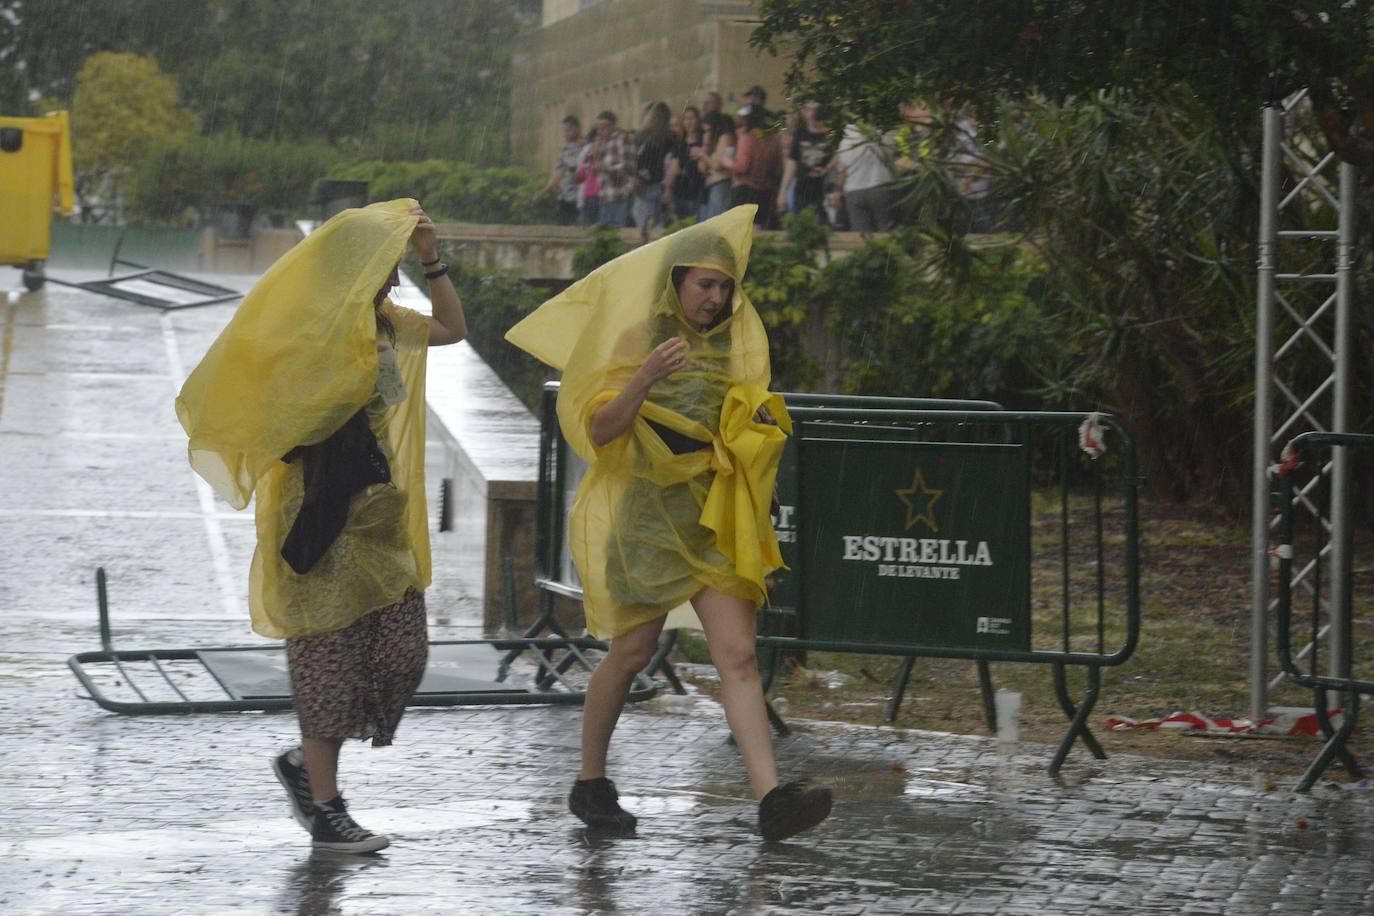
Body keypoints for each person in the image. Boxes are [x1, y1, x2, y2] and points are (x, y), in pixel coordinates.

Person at [504, 206, 834, 843]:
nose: (715, 298)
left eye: (724, 287)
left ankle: (772, 800)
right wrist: (646, 377)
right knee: (629, 654)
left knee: (738, 656)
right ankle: (591, 782)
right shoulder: (636, 339)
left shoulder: (733, 345)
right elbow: (599, 431)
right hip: (646, 522)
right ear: (676, 283)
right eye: (704, 285)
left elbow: (737, 424)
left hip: (712, 519)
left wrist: (755, 452)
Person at [175, 199, 468, 854]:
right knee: (327, 662)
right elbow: (281, 416)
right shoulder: (305, 332)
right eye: (387, 267)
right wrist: (353, 368)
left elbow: (453, 329)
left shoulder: (386, 320)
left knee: (402, 656)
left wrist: (431, 255)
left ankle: (308, 766)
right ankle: (326, 804)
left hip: (380, 517)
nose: (395, 281)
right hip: (319, 511)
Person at [833, 123, 898, 234]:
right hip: (881, 188)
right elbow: (892, 159)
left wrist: (838, 192)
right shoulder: (882, 132)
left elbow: (843, 170)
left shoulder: (846, 137)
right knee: (887, 233)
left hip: (854, 191)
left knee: (861, 236)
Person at [777, 101, 836, 223]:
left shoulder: (829, 134)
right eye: (809, 110)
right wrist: (783, 191)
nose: (813, 114)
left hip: (822, 188)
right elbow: (792, 162)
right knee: (800, 223)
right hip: (802, 187)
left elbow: (839, 155)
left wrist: (827, 169)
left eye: (816, 110)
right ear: (804, 113)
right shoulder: (800, 133)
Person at [730, 105, 783, 229]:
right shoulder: (773, 141)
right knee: (758, 228)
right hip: (765, 192)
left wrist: (726, 161)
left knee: (740, 229)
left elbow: (742, 167)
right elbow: (777, 168)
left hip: (744, 190)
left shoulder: (747, 137)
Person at [633, 101, 677, 232]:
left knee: (654, 226)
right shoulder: (643, 138)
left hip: (655, 186)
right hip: (643, 187)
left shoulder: (667, 139)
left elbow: (663, 164)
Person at [588, 110, 636, 228]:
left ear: (612, 126)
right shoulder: (602, 143)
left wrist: (605, 168)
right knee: (606, 236)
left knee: (620, 234)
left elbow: (628, 167)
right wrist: (595, 155)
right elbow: (595, 169)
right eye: (598, 129)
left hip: (621, 195)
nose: (599, 132)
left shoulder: (623, 139)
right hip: (605, 196)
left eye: (603, 128)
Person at [534, 115, 584, 226]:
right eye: (564, 131)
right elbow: (557, 174)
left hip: (583, 198)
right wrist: (544, 191)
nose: (565, 134)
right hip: (565, 197)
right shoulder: (564, 150)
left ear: (577, 128)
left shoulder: (587, 148)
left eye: (568, 130)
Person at [697, 110, 736, 221]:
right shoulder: (713, 142)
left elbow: (718, 165)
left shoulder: (726, 137)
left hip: (721, 184)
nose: (706, 133)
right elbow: (702, 168)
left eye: (708, 130)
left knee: (717, 222)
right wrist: (705, 146)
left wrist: (704, 155)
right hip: (711, 185)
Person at [671, 106, 707, 222]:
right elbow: (674, 167)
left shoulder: (704, 141)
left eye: (692, 118)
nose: (689, 122)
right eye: (686, 119)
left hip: (699, 190)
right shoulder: (679, 143)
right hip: (681, 190)